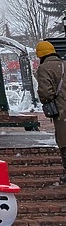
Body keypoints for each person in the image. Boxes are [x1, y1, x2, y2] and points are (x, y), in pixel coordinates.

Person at [35, 40, 66, 184]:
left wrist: (46, 100)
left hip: (62, 111)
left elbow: (46, 93)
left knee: (64, 142)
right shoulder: (64, 64)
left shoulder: (44, 68)